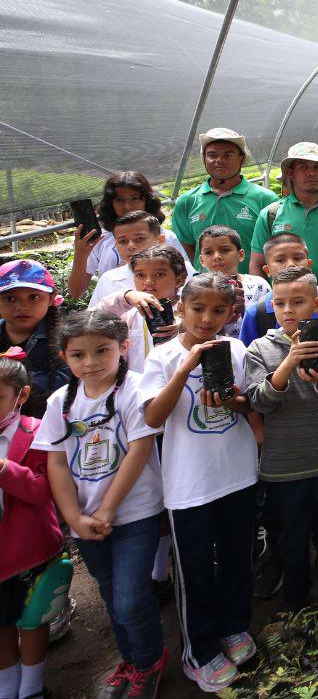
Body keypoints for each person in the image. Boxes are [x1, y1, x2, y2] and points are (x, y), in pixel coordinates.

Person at [35, 311, 167, 697]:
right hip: (86, 519)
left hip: (134, 513)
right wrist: (74, 516)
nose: (90, 362)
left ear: (123, 349)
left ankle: (148, 661)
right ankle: (129, 658)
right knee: (110, 593)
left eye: (102, 351)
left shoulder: (135, 390)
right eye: (78, 355)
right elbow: (56, 461)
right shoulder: (61, 401)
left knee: (129, 597)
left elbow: (139, 451)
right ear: (64, 357)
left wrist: (107, 510)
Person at [140, 274, 258, 691]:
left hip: (239, 473)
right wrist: (185, 368)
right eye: (198, 309)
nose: (207, 318)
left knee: (236, 557)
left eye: (218, 310)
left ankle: (234, 626)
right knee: (193, 570)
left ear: (231, 313)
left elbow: (250, 405)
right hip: (190, 484)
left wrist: (232, 400)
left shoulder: (238, 350)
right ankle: (200, 652)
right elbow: (153, 417)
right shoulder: (162, 357)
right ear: (180, 308)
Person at [244, 267, 318, 612]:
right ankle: (297, 611)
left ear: (317, 303)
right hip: (285, 469)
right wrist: (286, 365)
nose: (288, 310)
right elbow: (259, 402)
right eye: (280, 303)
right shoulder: (260, 348)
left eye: (298, 302)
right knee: (291, 542)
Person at [0, 355, 63, 699]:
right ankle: (7, 688)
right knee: (2, 625)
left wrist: (5, 469)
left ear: (20, 395)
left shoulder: (36, 433)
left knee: (33, 618)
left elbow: (42, 490)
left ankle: (32, 687)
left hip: (30, 548)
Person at [249, 142, 318, 291]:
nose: (311, 173)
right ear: (290, 173)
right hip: (286, 307)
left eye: (317, 167)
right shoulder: (271, 214)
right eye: (303, 167)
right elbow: (257, 265)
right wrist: (267, 302)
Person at [67, 171, 189, 300]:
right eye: (120, 200)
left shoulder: (166, 237)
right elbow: (76, 293)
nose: (127, 206)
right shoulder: (99, 240)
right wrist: (81, 255)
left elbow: (186, 281)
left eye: (135, 198)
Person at [171, 128, 277, 275]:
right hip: (205, 291)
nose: (220, 160)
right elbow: (185, 249)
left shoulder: (264, 199)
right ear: (204, 159)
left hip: (252, 291)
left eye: (228, 155)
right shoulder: (187, 201)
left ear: (241, 159)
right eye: (212, 155)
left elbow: (274, 248)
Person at [97, 246, 187, 374]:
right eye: (140, 275)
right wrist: (125, 296)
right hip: (138, 388)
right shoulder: (129, 313)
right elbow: (94, 320)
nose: (148, 282)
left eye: (159, 274)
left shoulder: (192, 310)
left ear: (179, 280)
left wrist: (186, 327)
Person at [0, 260, 67, 419]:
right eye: (10, 299)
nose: (22, 306)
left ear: (51, 298)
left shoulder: (66, 339)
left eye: (34, 297)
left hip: (47, 429)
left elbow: (68, 386)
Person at [236, 233, 318, 345]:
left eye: (297, 258)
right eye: (280, 260)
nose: (291, 264)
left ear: (309, 264)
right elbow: (248, 357)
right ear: (267, 270)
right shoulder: (257, 313)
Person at [196, 226, 270, 339]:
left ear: (240, 255)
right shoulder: (195, 288)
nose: (217, 257)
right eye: (208, 252)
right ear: (201, 260)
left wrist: (245, 312)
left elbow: (271, 322)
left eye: (225, 250)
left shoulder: (258, 284)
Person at [88, 212, 171, 310]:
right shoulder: (108, 280)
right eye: (123, 241)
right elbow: (92, 319)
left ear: (160, 240)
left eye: (139, 239)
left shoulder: (181, 269)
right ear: (116, 246)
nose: (131, 246)